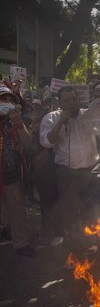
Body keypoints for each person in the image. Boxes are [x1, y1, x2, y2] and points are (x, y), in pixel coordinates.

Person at [39, 86, 100, 245]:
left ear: (78, 99)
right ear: (60, 103)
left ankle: (90, 240)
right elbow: (46, 142)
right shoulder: (51, 118)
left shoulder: (89, 115)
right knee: (69, 209)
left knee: (90, 207)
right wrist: (61, 121)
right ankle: (71, 243)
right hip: (67, 173)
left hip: (90, 171)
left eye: (73, 99)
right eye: (66, 100)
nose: (71, 103)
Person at [0, 85, 34, 256]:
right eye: (2, 100)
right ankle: (6, 229)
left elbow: (29, 144)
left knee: (18, 210)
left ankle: (21, 244)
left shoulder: (16, 122)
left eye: (9, 100)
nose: (6, 103)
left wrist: (18, 124)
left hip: (12, 176)